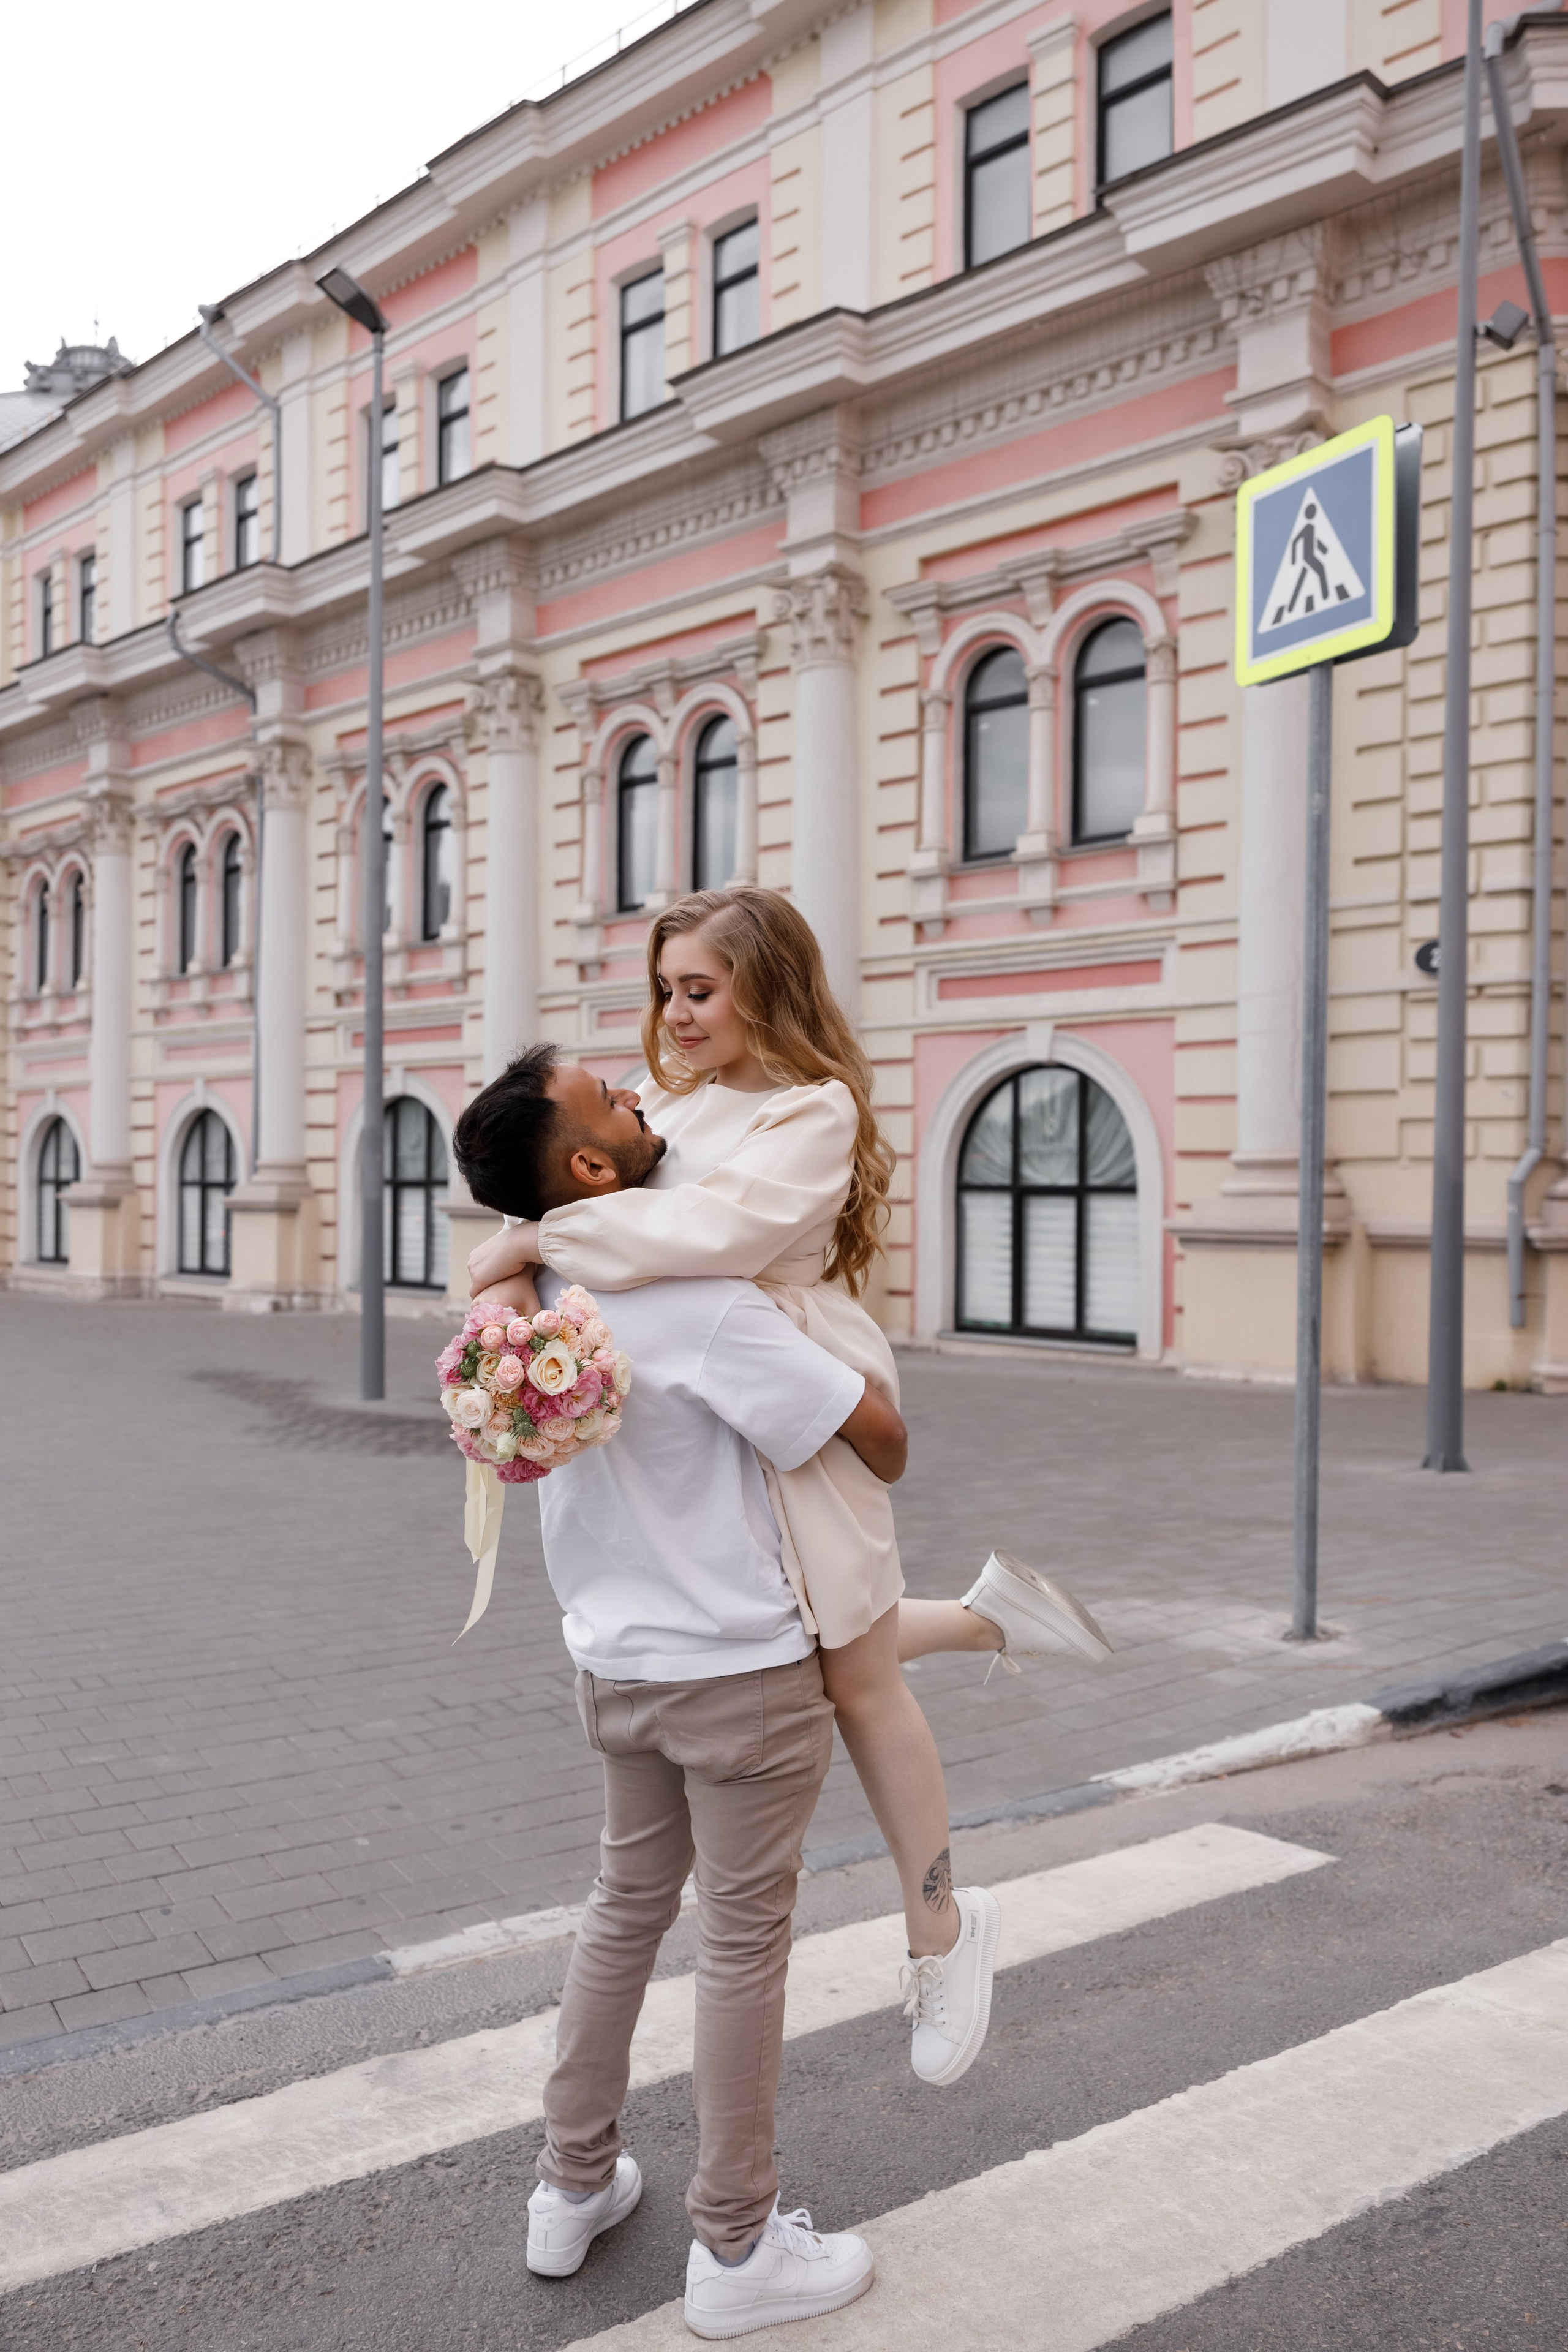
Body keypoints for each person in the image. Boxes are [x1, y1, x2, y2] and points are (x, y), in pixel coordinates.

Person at [459, 889, 1110, 2092]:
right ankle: (986, 1619)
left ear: (766, 985)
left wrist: (528, 1245)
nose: (674, 1013)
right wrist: (516, 1255)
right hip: (711, 1396)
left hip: (797, 1385)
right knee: (811, 1627)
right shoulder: (664, 1104)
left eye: (698, 989)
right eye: (664, 990)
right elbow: (576, 1190)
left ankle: (942, 1931)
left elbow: (703, 1235)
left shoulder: (812, 1112)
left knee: (851, 1673)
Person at [492, 1102, 900, 2331]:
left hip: (612, 1661)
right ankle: (735, 2250)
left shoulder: (536, 1297)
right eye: (606, 1097)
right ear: (592, 1161)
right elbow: (881, 1443)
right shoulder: (707, 1302)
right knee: (739, 1945)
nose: (635, 1094)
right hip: (739, 1672)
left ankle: (569, 2188)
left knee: (622, 1911)